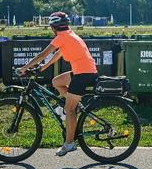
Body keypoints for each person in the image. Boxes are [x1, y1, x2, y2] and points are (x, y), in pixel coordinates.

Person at [19, 11, 98, 156]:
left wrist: (24, 68)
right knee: (56, 81)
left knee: (70, 109)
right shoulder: (69, 35)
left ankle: (69, 143)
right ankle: (71, 108)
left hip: (83, 74)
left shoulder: (62, 37)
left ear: (53, 27)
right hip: (84, 71)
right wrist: (43, 67)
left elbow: (42, 54)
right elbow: (58, 54)